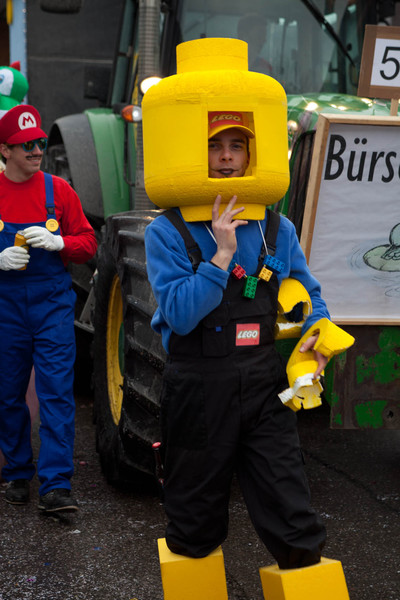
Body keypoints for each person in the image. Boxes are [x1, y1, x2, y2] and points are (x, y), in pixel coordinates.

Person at [144, 111, 329, 569]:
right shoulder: (166, 231)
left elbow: (310, 296)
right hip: (199, 387)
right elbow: (180, 316)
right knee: (194, 529)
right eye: (214, 145)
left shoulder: (277, 228)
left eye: (237, 146)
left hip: (265, 385)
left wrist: (318, 336)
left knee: (295, 524)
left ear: (250, 156)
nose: (226, 157)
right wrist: (222, 254)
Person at [0, 104, 97, 512]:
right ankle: (17, 473)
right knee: (8, 393)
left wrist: (62, 243)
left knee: (56, 392)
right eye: (26, 145)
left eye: (38, 142)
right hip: (6, 308)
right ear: (5, 150)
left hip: (52, 304)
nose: (37, 150)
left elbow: (88, 243)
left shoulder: (59, 191)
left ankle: (56, 485)